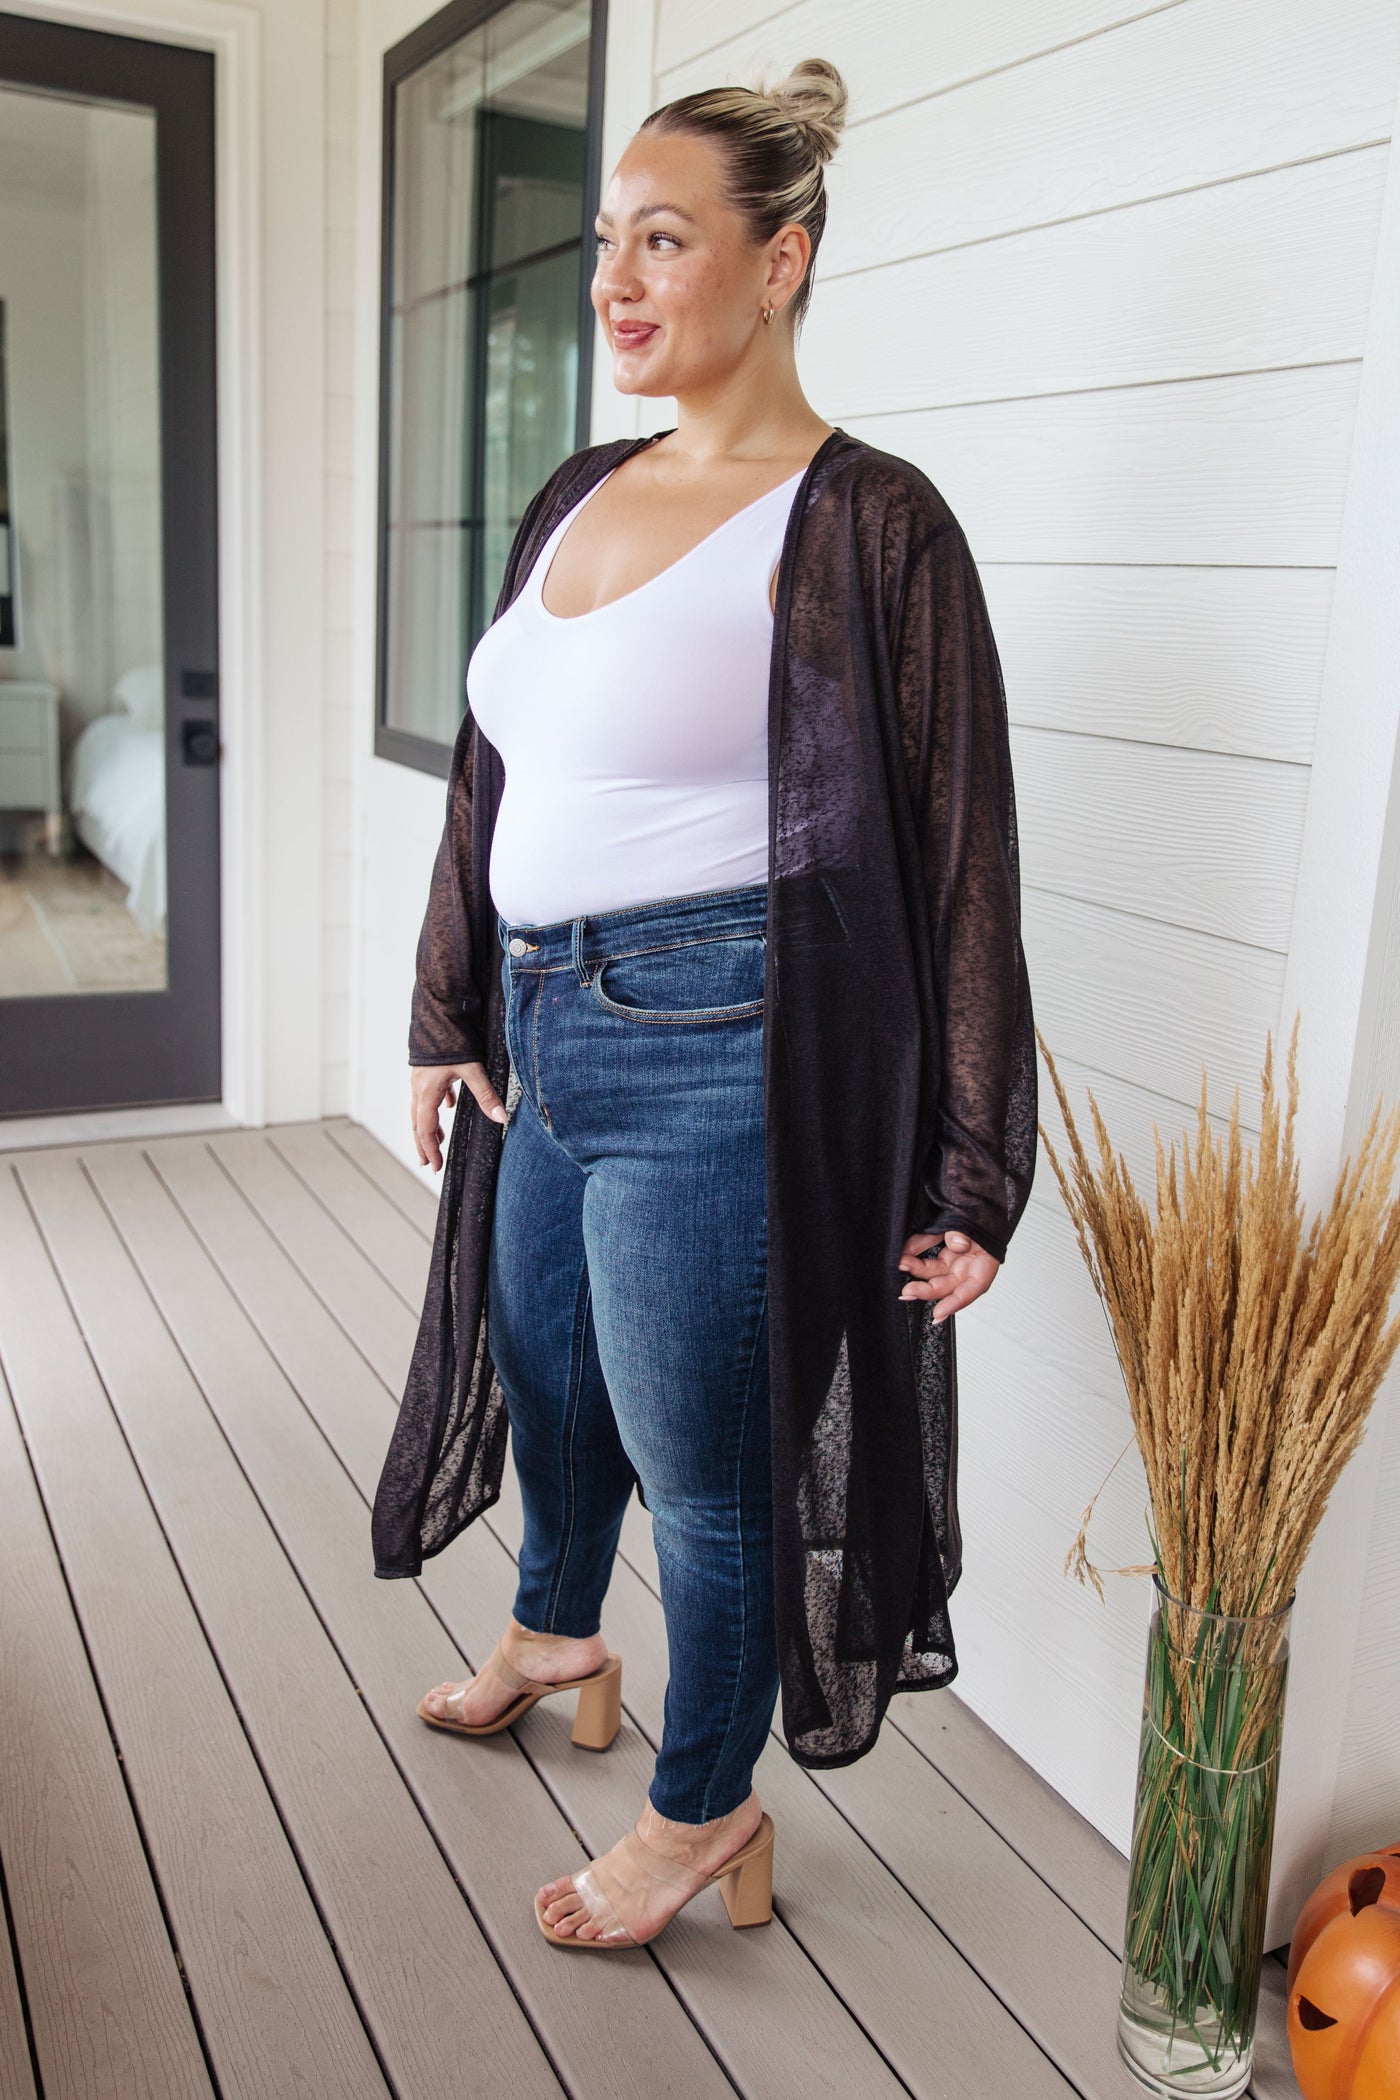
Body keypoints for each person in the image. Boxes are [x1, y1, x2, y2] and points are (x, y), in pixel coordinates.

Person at [371, 58, 1037, 1953]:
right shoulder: (582, 491)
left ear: (781, 261)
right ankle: (554, 1633)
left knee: (710, 1471)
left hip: (720, 1051)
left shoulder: (869, 522)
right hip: (544, 1032)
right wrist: (448, 1005)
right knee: (552, 1382)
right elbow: (495, 772)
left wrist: (974, 1164)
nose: (616, 280)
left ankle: (699, 1810)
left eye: (664, 240)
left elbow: (961, 844)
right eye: (608, 242)